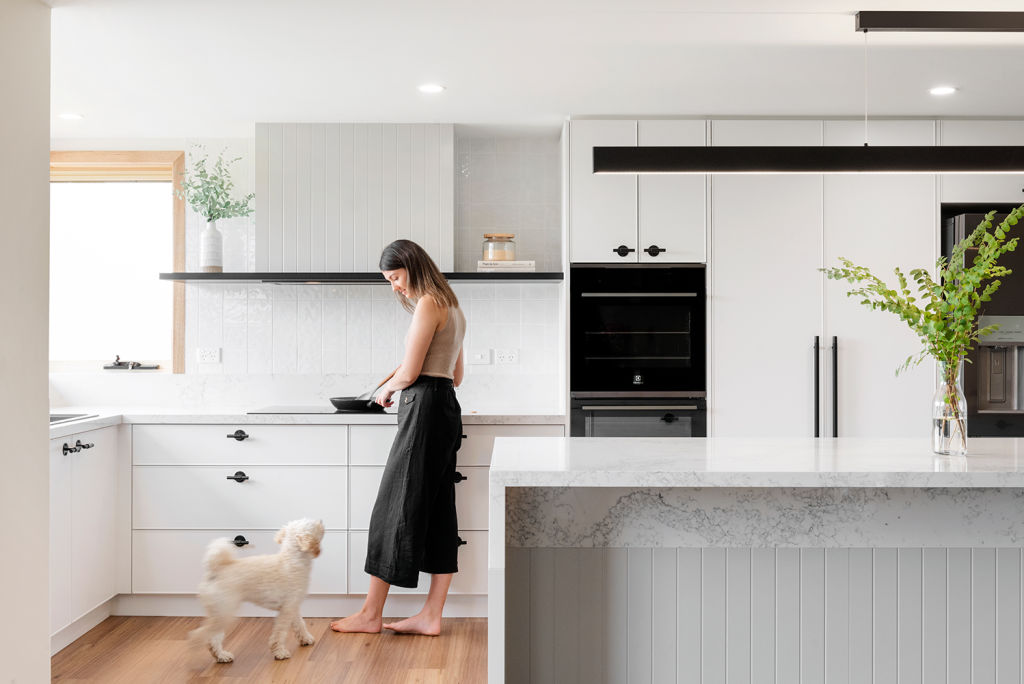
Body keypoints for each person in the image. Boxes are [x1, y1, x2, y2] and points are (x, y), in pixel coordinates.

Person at [331, 239, 466, 636]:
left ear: (411, 265)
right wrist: (400, 377)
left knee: (395, 508)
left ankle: (371, 615)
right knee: (440, 512)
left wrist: (386, 389)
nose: (394, 287)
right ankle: (430, 615)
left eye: (395, 277)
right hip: (445, 408)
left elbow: (410, 375)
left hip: (423, 409)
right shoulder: (453, 305)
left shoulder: (428, 302)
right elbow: (456, 376)